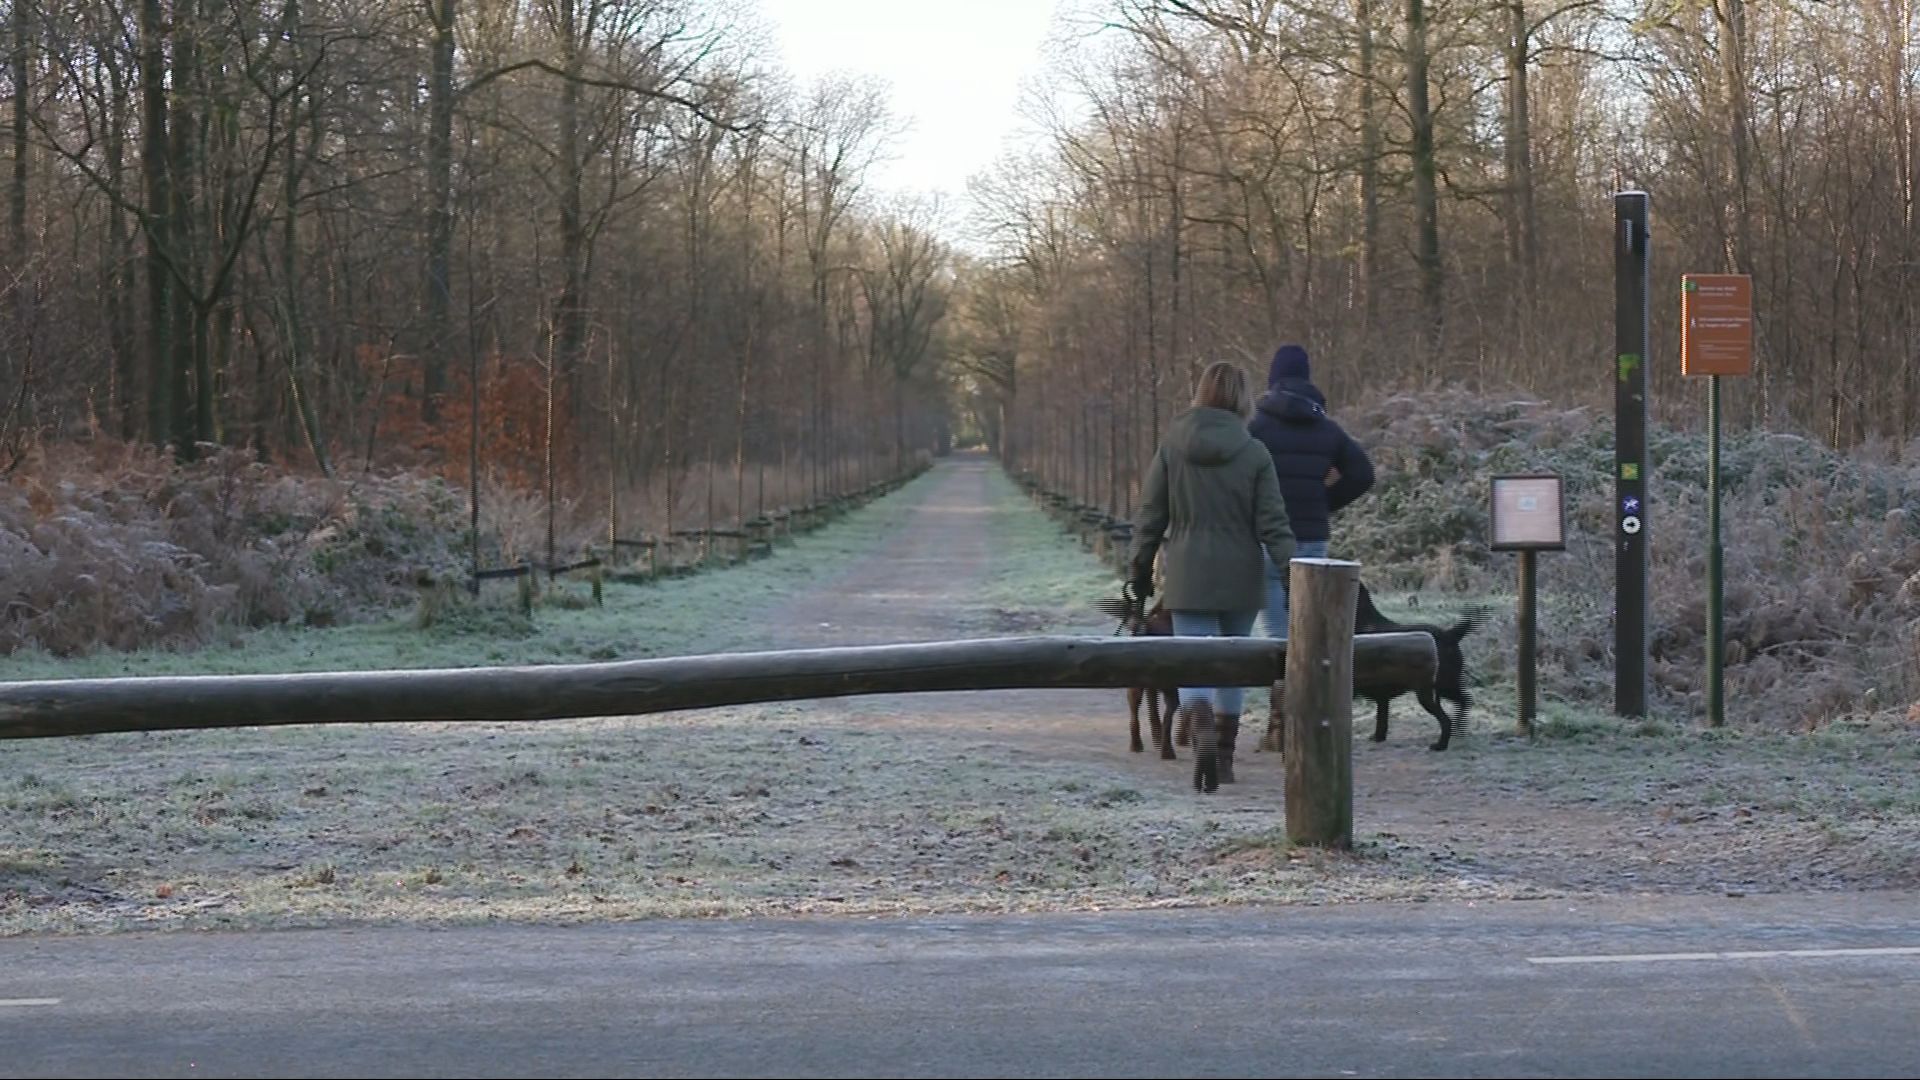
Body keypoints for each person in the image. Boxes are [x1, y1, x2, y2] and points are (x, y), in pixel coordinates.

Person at [1130, 360, 1295, 793]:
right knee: (1232, 664)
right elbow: (1274, 524)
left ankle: (1198, 717)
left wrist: (1139, 571)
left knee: (1193, 658)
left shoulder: (1172, 446)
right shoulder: (1255, 453)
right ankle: (1223, 757)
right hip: (1241, 572)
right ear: (1243, 398)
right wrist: (1292, 573)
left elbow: (1150, 516)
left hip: (1188, 571)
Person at [1247, 344, 1375, 747]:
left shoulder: (1254, 429)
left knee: (1276, 634)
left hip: (1266, 540)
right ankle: (1304, 720)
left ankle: (1279, 723)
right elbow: (1363, 474)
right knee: (1307, 632)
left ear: (1273, 378)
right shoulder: (1328, 430)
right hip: (1311, 540)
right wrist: (1323, 502)